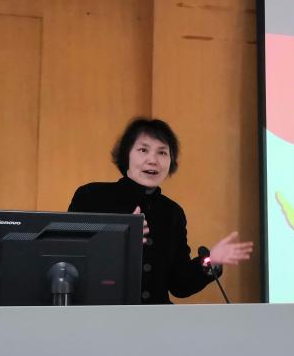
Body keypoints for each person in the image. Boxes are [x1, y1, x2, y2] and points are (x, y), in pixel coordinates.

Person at [69, 117, 253, 304]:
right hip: (100, 314)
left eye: (162, 152)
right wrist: (115, 239)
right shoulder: (91, 196)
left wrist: (210, 261)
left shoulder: (172, 212)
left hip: (158, 318)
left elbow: (179, 285)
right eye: (143, 150)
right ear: (126, 155)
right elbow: (67, 261)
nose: (153, 160)